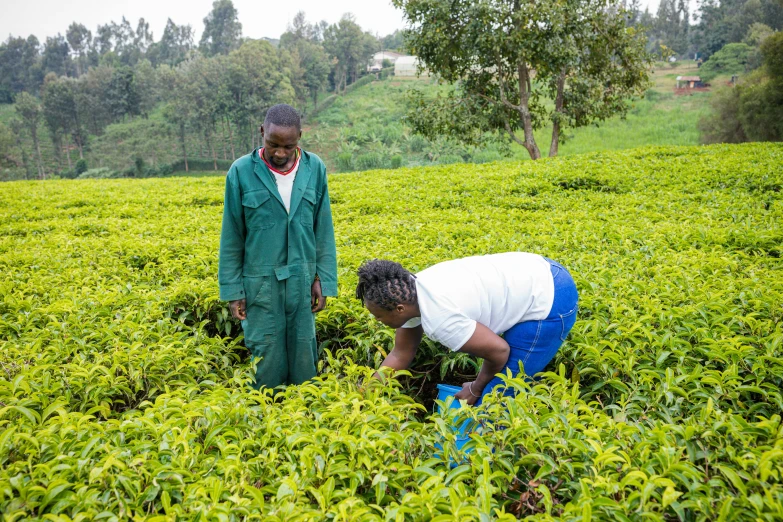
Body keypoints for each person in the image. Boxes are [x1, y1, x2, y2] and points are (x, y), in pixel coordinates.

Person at [356, 252, 578, 405]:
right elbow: (400, 353)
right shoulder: (412, 288)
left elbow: (499, 351)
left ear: (399, 309)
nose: (376, 320)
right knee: (504, 383)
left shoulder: (441, 318)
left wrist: (476, 387)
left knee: (496, 398)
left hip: (550, 299)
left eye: (378, 315)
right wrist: (366, 392)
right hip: (539, 269)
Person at [219, 104, 337, 390]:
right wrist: (234, 292)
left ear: (299, 137)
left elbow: (324, 229)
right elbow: (232, 236)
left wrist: (324, 279)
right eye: (273, 144)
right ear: (262, 132)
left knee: (304, 357)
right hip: (260, 285)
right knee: (266, 359)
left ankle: (303, 421)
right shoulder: (241, 172)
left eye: (289, 146)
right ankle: (267, 423)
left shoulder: (315, 168)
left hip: (303, 280)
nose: (280, 153)